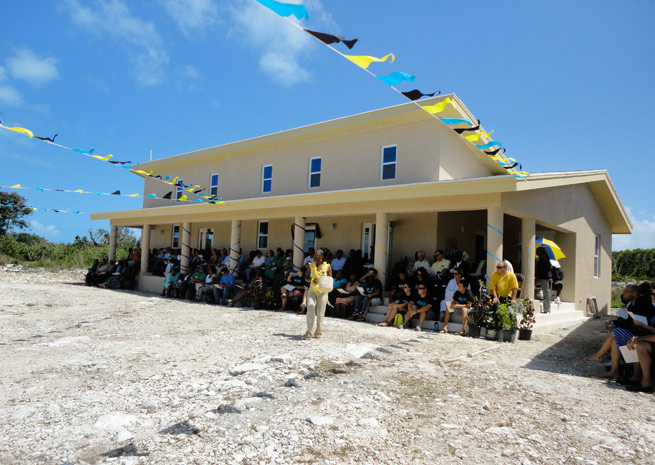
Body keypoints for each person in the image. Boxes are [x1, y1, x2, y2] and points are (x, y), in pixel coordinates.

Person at [304, 249, 332, 339]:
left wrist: (324, 283)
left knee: (320, 312)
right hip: (312, 291)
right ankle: (309, 331)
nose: (315, 256)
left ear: (322, 256)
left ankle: (318, 331)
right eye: (315, 255)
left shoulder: (327, 266)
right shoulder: (310, 266)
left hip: (323, 292)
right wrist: (312, 280)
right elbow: (306, 278)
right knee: (310, 309)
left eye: (317, 255)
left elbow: (330, 280)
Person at [535, 247, 552, 314]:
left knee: (546, 292)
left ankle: (547, 308)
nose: (537, 252)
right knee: (545, 292)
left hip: (544, 277)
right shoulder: (539, 259)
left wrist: (538, 272)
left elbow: (544, 269)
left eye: (539, 251)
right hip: (540, 276)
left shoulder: (544, 259)